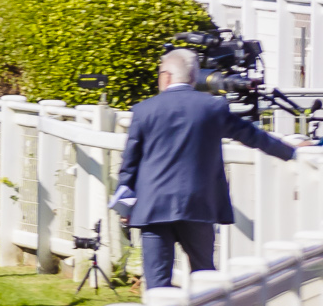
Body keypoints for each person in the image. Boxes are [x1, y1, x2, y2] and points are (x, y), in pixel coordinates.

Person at [118, 48, 304, 289]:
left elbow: (129, 163)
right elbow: (252, 136)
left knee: (156, 283)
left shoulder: (144, 110)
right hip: (198, 204)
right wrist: (292, 152)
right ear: (193, 78)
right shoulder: (212, 107)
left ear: (165, 76)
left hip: (152, 207)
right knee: (204, 276)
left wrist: (124, 204)